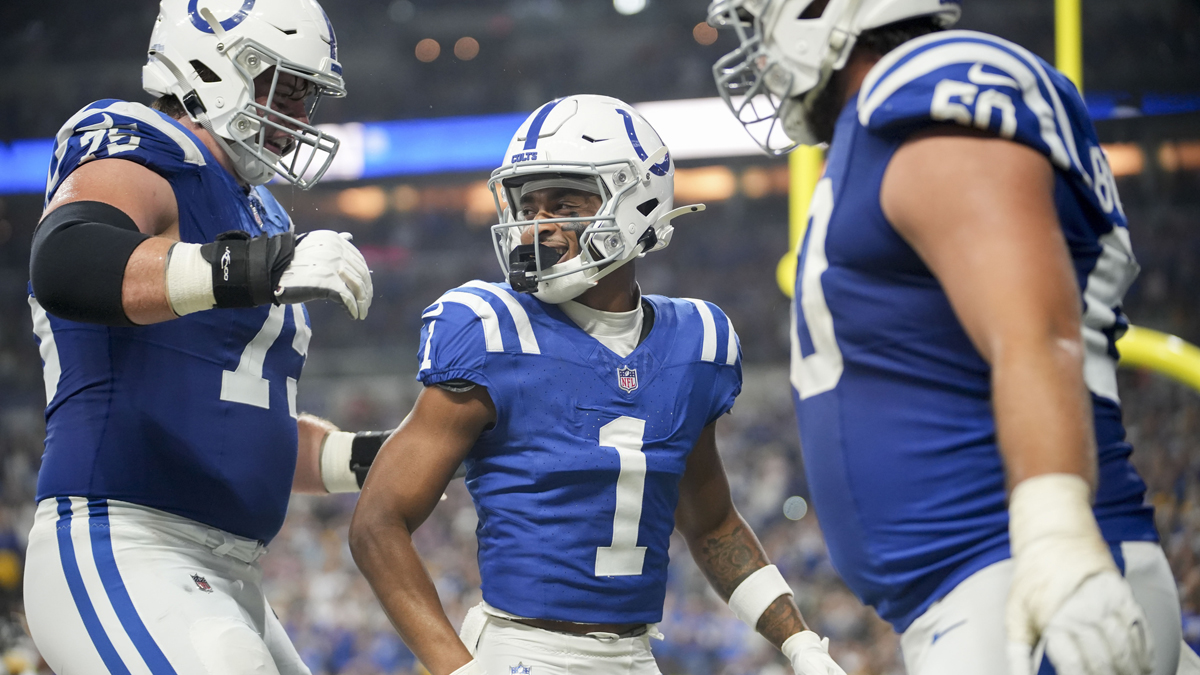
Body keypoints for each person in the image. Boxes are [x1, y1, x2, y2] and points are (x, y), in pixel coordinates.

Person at [708, 1, 1191, 674]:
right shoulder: (884, 121)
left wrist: (1059, 540)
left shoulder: (924, 87)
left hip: (1019, 583)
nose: (756, 55)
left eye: (760, 26)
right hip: (989, 587)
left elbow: (1033, 324)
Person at [348, 94, 845, 675]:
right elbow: (376, 524)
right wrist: (457, 669)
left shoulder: (696, 340)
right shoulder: (490, 329)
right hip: (521, 653)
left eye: (564, 202)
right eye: (528, 204)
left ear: (638, 203)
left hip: (636, 657)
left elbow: (711, 523)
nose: (539, 225)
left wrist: (800, 643)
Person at [22, 1, 388, 673]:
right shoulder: (147, 143)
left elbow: (250, 422)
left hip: (230, 572)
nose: (299, 116)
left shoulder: (258, 209)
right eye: (288, 86)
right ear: (213, 64)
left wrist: (376, 457)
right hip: (127, 537)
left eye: (309, 96)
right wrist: (256, 266)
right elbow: (69, 261)